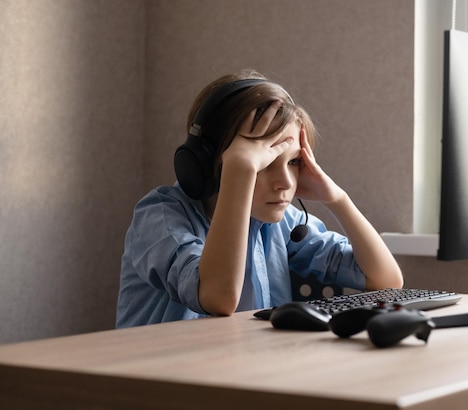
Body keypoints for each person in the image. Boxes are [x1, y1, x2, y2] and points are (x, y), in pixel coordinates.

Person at [116, 69, 403, 328]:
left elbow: (387, 280)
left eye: (292, 162)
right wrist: (239, 172)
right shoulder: (159, 218)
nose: (285, 183)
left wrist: (339, 200)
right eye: (263, 165)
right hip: (157, 381)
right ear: (208, 164)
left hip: (241, 371)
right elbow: (218, 297)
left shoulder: (278, 222)